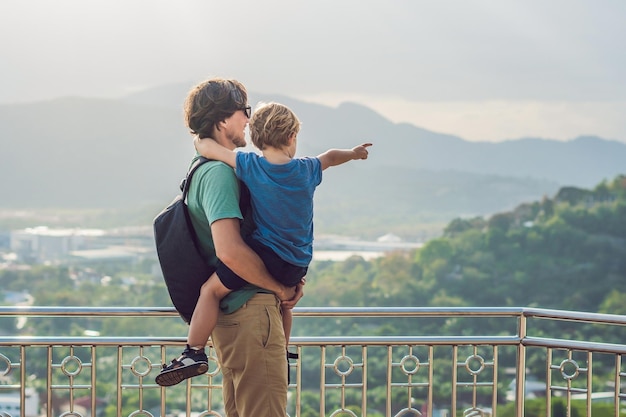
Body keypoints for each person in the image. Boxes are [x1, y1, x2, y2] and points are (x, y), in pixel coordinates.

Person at [156, 78, 302, 417]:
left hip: (233, 314)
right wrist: (279, 286)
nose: (248, 121)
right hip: (251, 312)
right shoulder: (220, 174)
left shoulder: (201, 170)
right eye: (243, 112)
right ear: (223, 120)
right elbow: (230, 251)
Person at [191, 102, 372, 352]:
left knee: (210, 291)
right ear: (291, 136)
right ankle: (282, 351)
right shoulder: (306, 169)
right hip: (298, 262)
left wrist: (200, 142)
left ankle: (193, 350)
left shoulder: (251, 165)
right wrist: (354, 153)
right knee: (284, 304)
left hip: (267, 256)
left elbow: (211, 150)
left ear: (255, 139)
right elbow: (330, 156)